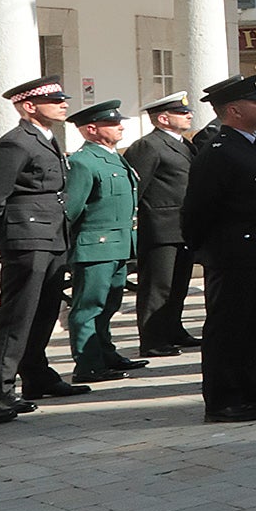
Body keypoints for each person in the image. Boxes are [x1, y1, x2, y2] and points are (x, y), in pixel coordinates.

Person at [180, 77, 256, 423]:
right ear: (233, 110)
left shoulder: (252, 143)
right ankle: (222, 399)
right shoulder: (218, 150)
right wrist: (208, 250)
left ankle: (250, 384)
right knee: (227, 328)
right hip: (232, 254)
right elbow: (197, 209)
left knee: (253, 324)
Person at [0, 77, 80, 409]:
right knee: (17, 314)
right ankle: (0, 390)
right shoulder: (16, 143)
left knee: (45, 310)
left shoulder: (46, 138)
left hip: (51, 235)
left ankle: (36, 375)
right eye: (54, 100)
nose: (63, 104)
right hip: (26, 235)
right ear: (28, 106)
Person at [59, 101, 141, 384]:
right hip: (95, 244)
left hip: (118, 243)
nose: (120, 126)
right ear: (91, 129)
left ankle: (105, 353)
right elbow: (71, 209)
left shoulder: (114, 156)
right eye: (112, 123)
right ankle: (87, 363)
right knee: (89, 305)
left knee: (109, 303)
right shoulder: (83, 161)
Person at [124, 94, 197, 356]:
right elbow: (137, 189)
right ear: (163, 118)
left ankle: (173, 328)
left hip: (183, 225)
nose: (189, 115)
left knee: (178, 284)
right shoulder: (149, 146)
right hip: (160, 226)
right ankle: (152, 339)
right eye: (181, 113)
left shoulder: (183, 145)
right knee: (158, 286)